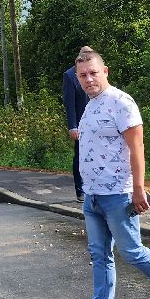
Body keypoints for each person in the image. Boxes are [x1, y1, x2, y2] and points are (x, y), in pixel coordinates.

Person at [66, 49, 150, 299]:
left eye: (93, 73)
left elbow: (137, 147)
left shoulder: (121, 102)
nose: (88, 79)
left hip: (118, 194)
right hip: (93, 195)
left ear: (105, 71)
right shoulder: (91, 105)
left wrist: (138, 188)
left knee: (131, 251)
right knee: (99, 255)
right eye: (83, 75)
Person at [61, 45, 93, 202]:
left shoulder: (95, 73)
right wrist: (72, 126)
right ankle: (80, 190)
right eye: (85, 55)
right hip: (80, 123)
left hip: (96, 121)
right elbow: (69, 102)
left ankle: (94, 188)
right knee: (80, 156)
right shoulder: (70, 75)